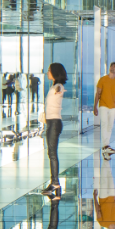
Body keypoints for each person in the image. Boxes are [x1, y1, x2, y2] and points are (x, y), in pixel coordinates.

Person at [42, 63, 68, 199]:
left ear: (55, 72)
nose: (47, 72)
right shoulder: (52, 87)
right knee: (50, 152)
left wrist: (58, 89)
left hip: (55, 123)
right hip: (51, 122)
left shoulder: (58, 87)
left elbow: (60, 89)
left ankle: (55, 182)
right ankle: (54, 181)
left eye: (49, 70)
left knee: (52, 153)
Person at [94, 62, 115, 158]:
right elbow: (98, 93)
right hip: (103, 105)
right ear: (109, 68)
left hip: (112, 107)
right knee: (105, 124)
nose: (113, 68)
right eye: (112, 66)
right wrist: (95, 106)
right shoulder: (102, 80)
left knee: (110, 126)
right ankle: (106, 146)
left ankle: (106, 148)